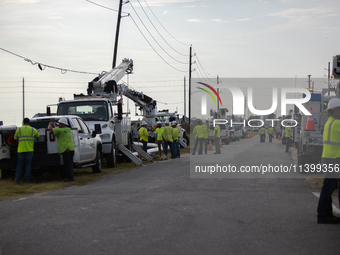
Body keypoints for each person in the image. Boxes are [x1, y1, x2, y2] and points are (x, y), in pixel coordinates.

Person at [317, 98, 340, 224]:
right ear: (335, 110)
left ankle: (326, 213)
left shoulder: (329, 122)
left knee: (328, 188)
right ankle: (323, 215)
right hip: (333, 159)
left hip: (329, 158)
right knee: (328, 188)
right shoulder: (337, 123)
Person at [14, 118, 40, 184]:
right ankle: (27, 181)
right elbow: (38, 135)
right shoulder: (32, 129)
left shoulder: (19, 129)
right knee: (28, 166)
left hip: (21, 150)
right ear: (29, 122)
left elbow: (15, 138)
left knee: (19, 165)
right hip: (29, 150)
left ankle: (17, 180)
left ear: (23, 122)